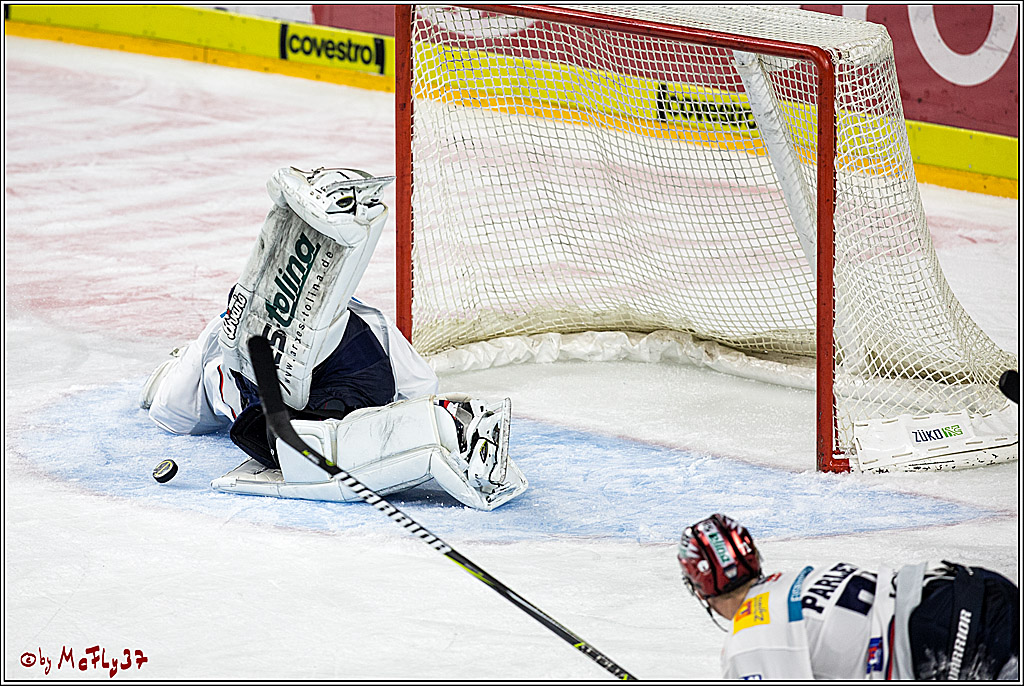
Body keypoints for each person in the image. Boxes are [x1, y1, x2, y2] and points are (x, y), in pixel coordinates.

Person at [139, 165, 528, 511]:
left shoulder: (368, 346)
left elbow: (419, 394)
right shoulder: (220, 363)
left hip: (306, 374)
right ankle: (182, 367)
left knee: (263, 419)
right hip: (244, 367)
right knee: (172, 411)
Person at [677, 513, 1018, 680]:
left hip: (949, 641)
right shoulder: (792, 580)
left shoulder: (748, 642)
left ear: (699, 589)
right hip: (975, 589)